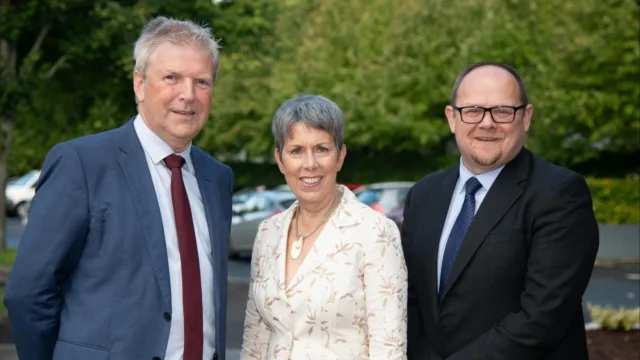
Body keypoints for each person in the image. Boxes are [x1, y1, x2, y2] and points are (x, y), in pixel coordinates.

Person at [4, 16, 232, 360]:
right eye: (171, 78)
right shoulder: (82, 164)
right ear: (139, 83)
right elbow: (28, 293)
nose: (188, 95)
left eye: (202, 82)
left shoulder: (218, 178)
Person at [401, 61, 600, 360]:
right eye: (472, 111)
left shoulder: (560, 194)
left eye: (503, 111)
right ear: (452, 118)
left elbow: (542, 317)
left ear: (526, 117)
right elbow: (410, 297)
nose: (487, 123)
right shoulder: (424, 194)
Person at [240, 94, 408, 359]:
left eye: (322, 149)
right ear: (280, 159)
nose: (310, 164)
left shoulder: (375, 232)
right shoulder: (268, 233)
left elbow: (389, 347)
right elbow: (255, 337)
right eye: (296, 150)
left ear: (340, 156)